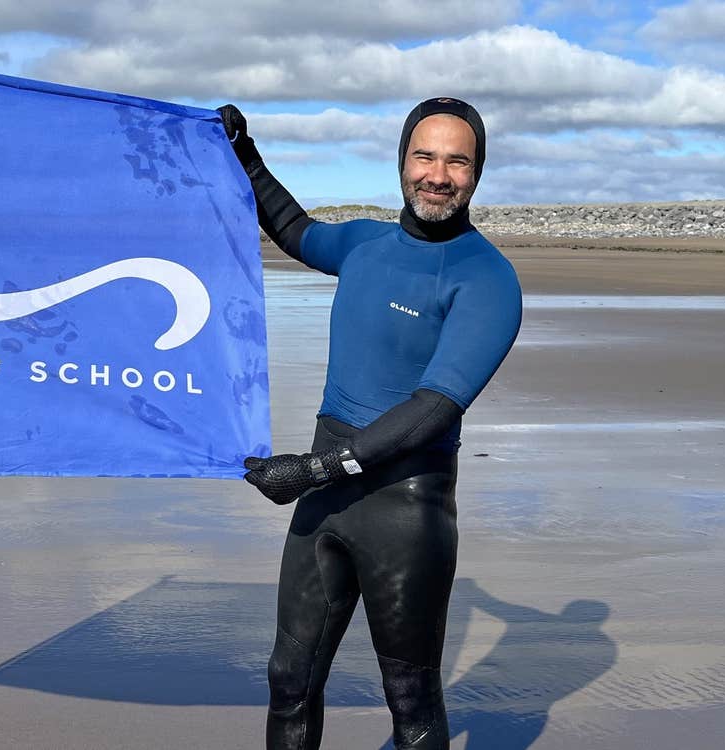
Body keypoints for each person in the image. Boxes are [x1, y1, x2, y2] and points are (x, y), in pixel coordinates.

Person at [219, 97, 523, 750]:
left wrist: (312, 470)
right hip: (327, 497)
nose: (437, 174)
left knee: (410, 699)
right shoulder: (363, 244)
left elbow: (432, 410)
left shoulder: (488, 280)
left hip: (406, 509)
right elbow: (294, 228)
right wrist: (245, 156)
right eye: (424, 155)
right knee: (288, 678)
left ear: (476, 172)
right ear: (402, 161)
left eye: (456, 160)